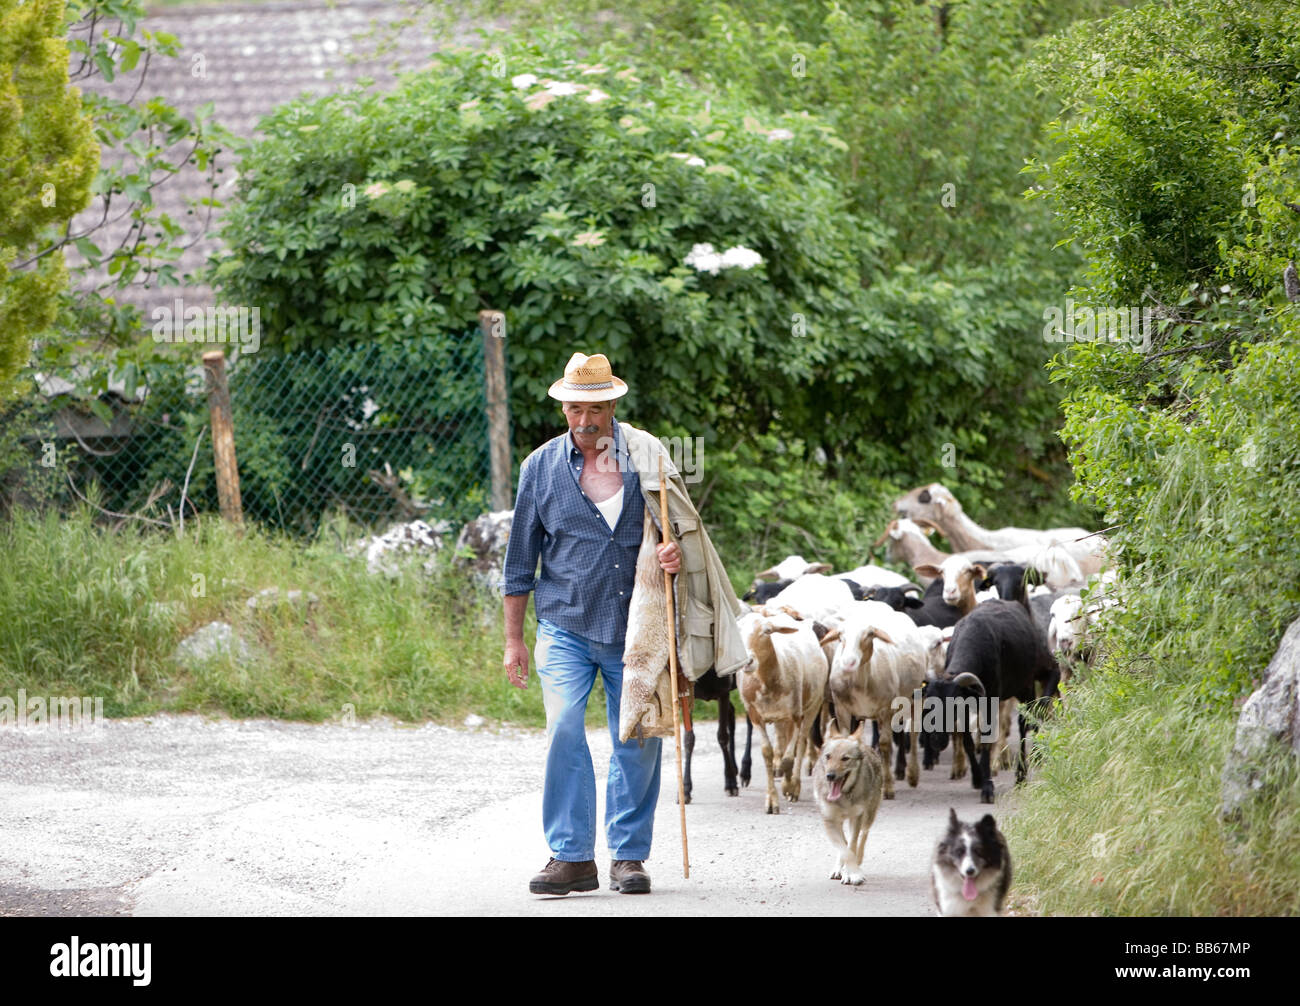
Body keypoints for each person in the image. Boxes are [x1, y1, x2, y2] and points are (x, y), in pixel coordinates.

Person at [501, 352, 681, 896]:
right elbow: (518, 562)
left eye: (595, 409)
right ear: (564, 408)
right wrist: (514, 640)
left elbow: (681, 531)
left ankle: (628, 857)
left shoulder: (647, 459)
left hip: (636, 628)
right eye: (575, 409)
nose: (585, 421)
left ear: (613, 405)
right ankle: (571, 857)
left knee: (637, 737)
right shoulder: (539, 468)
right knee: (562, 729)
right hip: (564, 625)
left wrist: (672, 554)